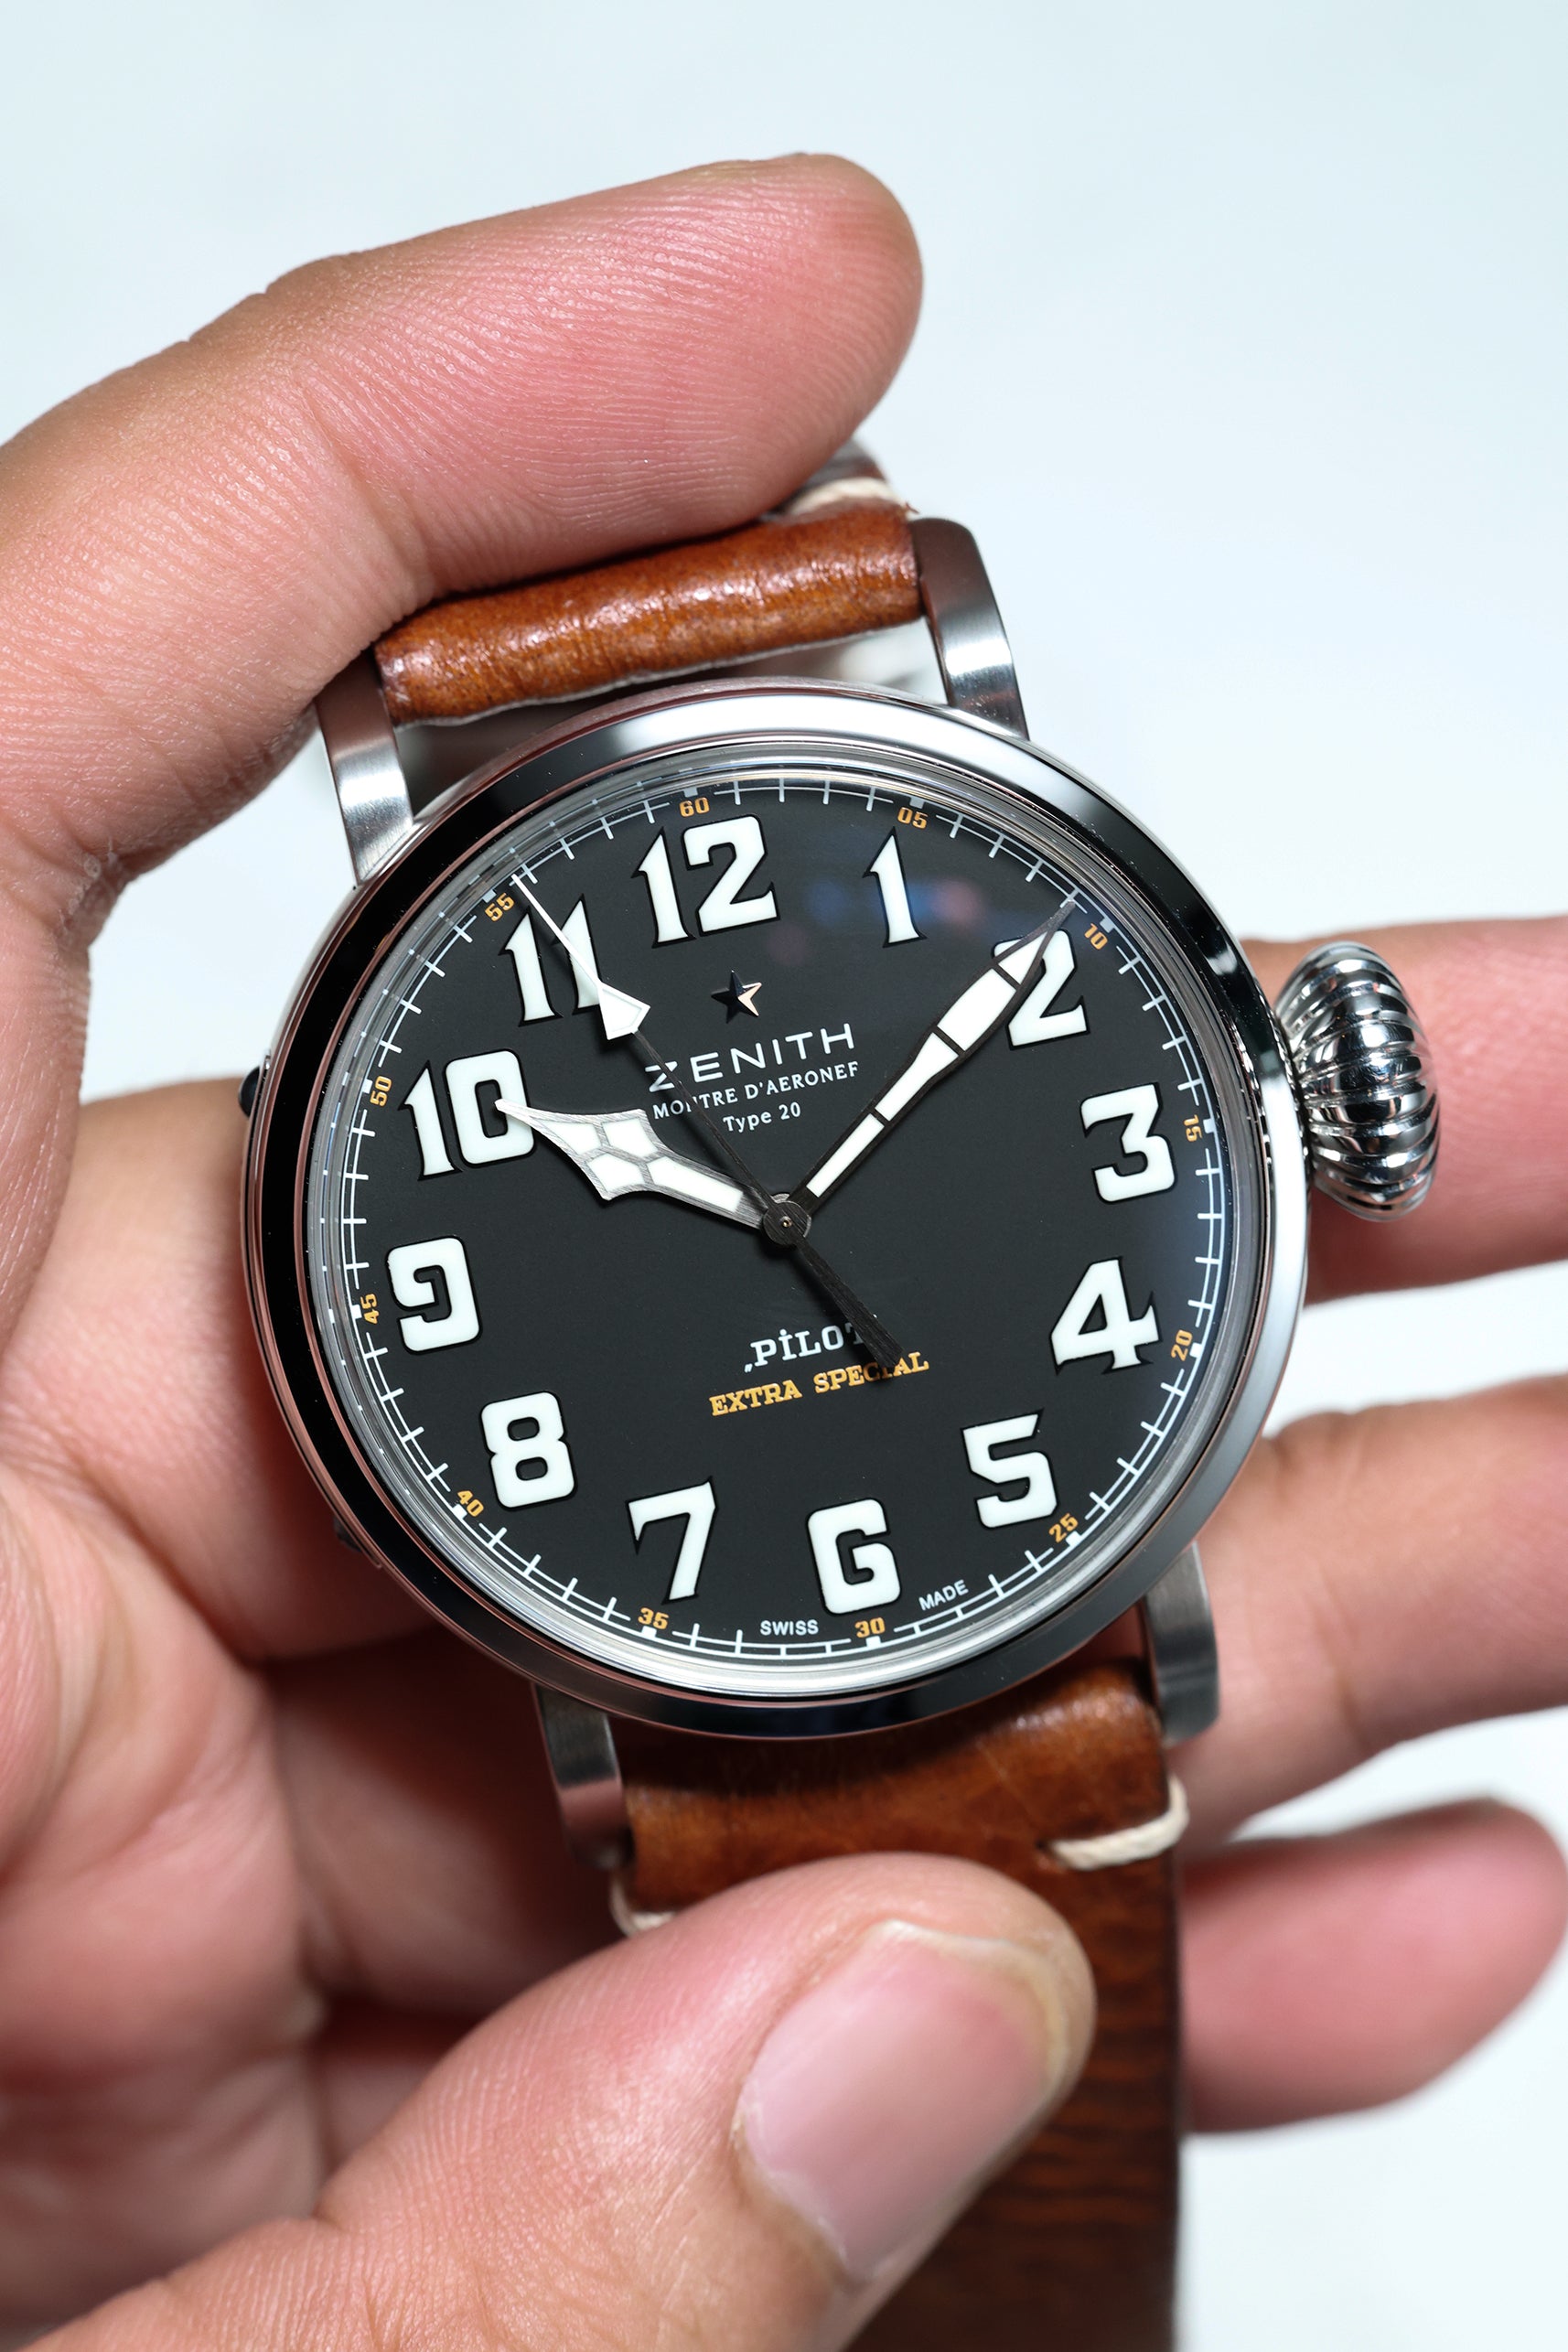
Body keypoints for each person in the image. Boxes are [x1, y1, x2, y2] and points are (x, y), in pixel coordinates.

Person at [0, 155, 1561, 2348]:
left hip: (1015, 1597)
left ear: (1312, 1084)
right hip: (687, 1664)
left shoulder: (965, 768)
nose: (778, 1217)